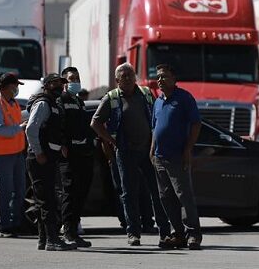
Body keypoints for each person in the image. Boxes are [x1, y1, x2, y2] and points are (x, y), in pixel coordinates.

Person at [91, 63, 171, 247]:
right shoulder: (111, 98)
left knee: (158, 192)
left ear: (135, 77)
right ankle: (133, 233)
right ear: (117, 80)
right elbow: (95, 123)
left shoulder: (145, 94)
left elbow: (157, 117)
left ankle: (164, 233)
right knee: (129, 194)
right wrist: (111, 141)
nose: (127, 78)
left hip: (149, 151)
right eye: (123, 76)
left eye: (130, 75)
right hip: (125, 151)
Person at [151, 63, 203, 250]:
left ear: (174, 79)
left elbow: (196, 124)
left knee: (183, 196)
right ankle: (177, 235)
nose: (160, 80)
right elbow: (155, 128)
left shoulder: (184, 98)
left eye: (164, 76)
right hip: (159, 158)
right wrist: (152, 151)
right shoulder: (158, 101)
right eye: (158, 76)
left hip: (177, 156)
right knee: (166, 198)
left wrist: (188, 149)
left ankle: (193, 235)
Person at [25, 73, 76, 251]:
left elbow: (52, 130)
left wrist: (60, 145)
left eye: (61, 84)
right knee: (47, 201)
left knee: (44, 200)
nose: (59, 87)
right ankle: (52, 240)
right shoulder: (43, 103)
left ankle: (44, 239)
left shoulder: (53, 104)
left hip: (48, 157)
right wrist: (38, 153)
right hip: (40, 158)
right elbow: (31, 129)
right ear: (46, 86)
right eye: (55, 83)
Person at [0, 72, 27, 238]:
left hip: (16, 152)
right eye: (14, 86)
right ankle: (5, 226)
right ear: (4, 88)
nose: (16, 89)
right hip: (2, 155)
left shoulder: (13, 103)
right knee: (6, 191)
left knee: (19, 190)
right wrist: (19, 128)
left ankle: (15, 223)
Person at [57, 66, 95, 248]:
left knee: (81, 193)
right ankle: (68, 232)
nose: (76, 81)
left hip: (83, 154)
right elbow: (58, 124)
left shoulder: (79, 101)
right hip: (69, 155)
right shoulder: (61, 100)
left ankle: (75, 230)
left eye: (77, 78)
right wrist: (63, 143)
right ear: (64, 82)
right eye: (72, 78)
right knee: (69, 194)